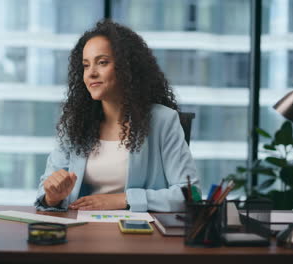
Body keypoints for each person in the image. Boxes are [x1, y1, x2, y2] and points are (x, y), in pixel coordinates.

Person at [34, 20, 198, 212]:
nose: (91, 73)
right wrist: (52, 197)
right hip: (83, 231)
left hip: (141, 235)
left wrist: (126, 199)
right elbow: (46, 192)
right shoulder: (75, 124)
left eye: (102, 62)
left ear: (127, 67)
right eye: (86, 66)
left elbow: (190, 193)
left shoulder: (163, 120)